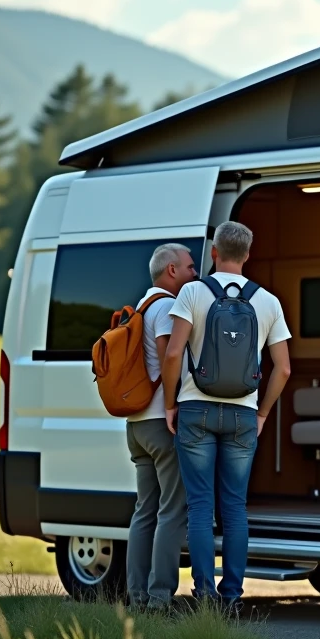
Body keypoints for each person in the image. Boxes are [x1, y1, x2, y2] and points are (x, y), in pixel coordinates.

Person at [161, 221, 291, 611]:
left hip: (196, 409)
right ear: (247, 255)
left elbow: (173, 353)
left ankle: (204, 595)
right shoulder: (268, 301)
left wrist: (170, 404)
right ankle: (232, 597)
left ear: (214, 252)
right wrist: (262, 413)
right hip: (243, 414)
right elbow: (284, 369)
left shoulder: (192, 292)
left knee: (200, 506)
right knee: (234, 507)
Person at [126, 242, 197, 611]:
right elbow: (171, 356)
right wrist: (172, 404)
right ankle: (159, 597)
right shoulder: (167, 307)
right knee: (171, 510)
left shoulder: (141, 306)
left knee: (144, 510)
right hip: (160, 422)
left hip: (136, 425)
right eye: (189, 267)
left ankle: (137, 594)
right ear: (171, 270)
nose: (194, 273)